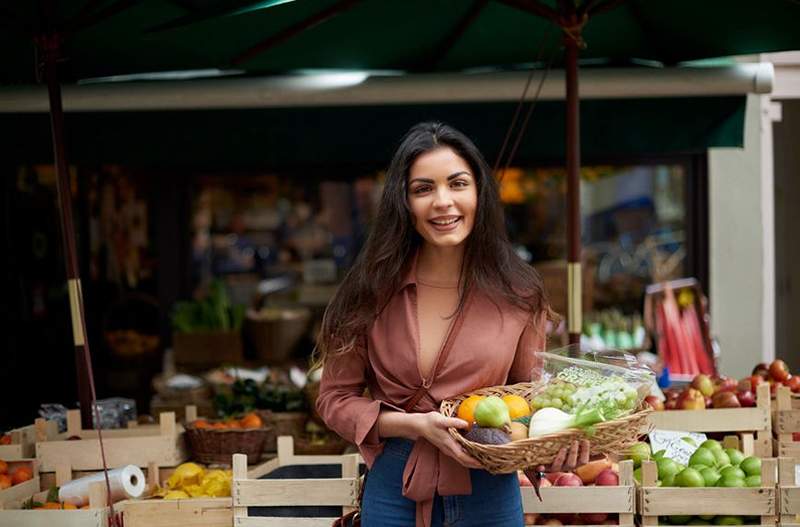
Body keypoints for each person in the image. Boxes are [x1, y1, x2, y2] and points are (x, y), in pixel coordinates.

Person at [315, 122, 555, 527]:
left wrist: (557, 439)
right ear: (404, 203)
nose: (443, 201)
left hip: (490, 489)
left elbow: (531, 399)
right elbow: (334, 400)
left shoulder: (520, 293)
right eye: (423, 189)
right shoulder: (370, 291)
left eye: (457, 184)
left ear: (479, 192)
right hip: (395, 489)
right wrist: (412, 425)